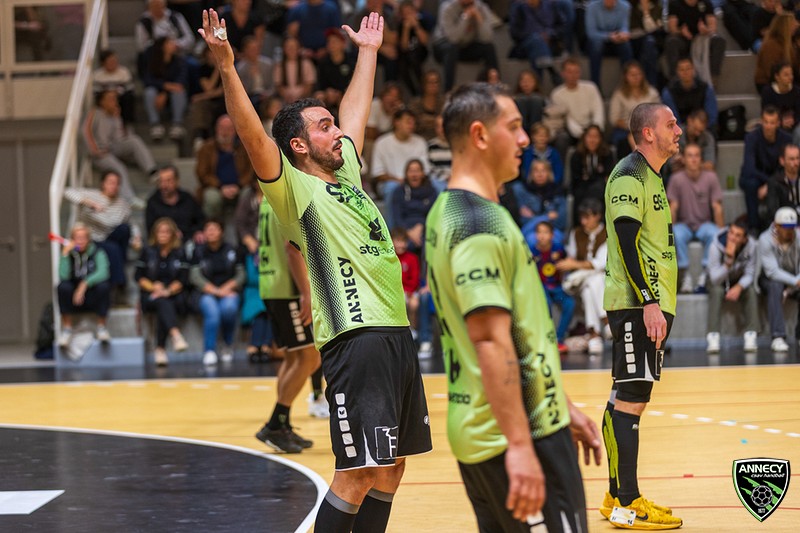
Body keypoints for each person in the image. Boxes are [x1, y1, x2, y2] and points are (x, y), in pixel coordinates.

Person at [200, 10, 431, 531]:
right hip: (355, 337)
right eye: (324, 127)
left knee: (391, 468)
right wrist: (228, 67)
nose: (339, 133)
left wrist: (367, 53)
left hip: (395, 332)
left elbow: (356, 111)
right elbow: (252, 135)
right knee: (357, 472)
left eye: (334, 124)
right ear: (299, 146)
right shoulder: (293, 188)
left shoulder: (346, 174)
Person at [424, 82, 601, 532]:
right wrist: (521, 445)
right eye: (515, 126)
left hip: (492, 428)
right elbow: (489, 341)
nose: (525, 139)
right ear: (480, 135)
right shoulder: (479, 225)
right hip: (514, 435)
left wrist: (561, 405)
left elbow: (521, 334)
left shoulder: (448, 210)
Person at [601, 102, 683, 529]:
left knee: (623, 398)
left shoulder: (651, 176)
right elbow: (625, 238)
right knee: (631, 401)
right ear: (648, 132)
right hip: (636, 305)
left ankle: (615, 494)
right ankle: (628, 503)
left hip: (644, 304)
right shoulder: (629, 175)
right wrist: (649, 301)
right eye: (670, 124)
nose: (678, 130)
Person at [254, 197, 324, 453]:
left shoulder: (267, 196)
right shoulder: (287, 194)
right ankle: (275, 423)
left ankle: (282, 425)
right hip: (288, 289)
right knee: (310, 357)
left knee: (295, 358)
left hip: (272, 284)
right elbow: (291, 247)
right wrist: (306, 292)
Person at [64, 171, 140, 293]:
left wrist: (136, 238)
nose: (114, 186)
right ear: (103, 183)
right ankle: (120, 284)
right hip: (92, 239)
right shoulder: (92, 195)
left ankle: (119, 283)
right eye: (110, 182)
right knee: (113, 248)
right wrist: (89, 203)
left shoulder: (122, 204)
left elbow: (131, 224)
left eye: (117, 183)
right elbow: (67, 191)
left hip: (111, 237)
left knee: (124, 230)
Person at [666, 142, 724, 293]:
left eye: (696, 156)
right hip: (684, 224)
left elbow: (717, 207)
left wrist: (722, 234)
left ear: (701, 159)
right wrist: (668, 233)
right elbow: (673, 207)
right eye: (689, 156)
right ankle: (685, 275)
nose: (693, 159)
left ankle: (705, 273)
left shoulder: (711, 177)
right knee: (676, 233)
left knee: (713, 232)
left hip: (704, 224)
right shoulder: (676, 178)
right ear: (684, 159)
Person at [82, 90, 157, 204]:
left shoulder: (114, 114)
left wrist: (117, 118)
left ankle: (151, 171)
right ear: (102, 102)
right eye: (110, 99)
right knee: (119, 167)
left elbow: (119, 137)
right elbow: (85, 131)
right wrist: (94, 150)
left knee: (134, 140)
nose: (114, 101)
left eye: (115, 99)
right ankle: (129, 198)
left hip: (113, 147)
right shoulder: (95, 113)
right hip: (100, 153)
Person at [135, 217, 190, 366]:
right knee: (162, 302)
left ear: (173, 234)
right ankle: (175, 335)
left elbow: (183, 279)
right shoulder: (147, 251)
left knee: (165, 303)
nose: (163, 234)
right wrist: (154, 287)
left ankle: (160, 349)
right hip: (150, 294)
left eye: (166, 232)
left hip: (174, 294)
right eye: (160, 231)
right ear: (155, 233)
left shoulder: (180, 252)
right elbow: (139, 277)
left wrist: (168, 291)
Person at [557, 198, 609, 354]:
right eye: (582, 217)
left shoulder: (608, 233)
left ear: (597, 216)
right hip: (580, 280)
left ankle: (594, 335)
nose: (583, 221)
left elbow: (600, 264)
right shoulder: (576, 233)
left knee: (591, 285)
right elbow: (572, 256)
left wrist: (574, 264)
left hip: (604, 280)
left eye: (587, 217)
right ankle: (607, 321)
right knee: (592, 281)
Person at [190, 219, 245, 365]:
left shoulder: (232, 250)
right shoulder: (198, 251)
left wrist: (226, 288)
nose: (211, 232)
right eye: (208, 229)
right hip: (205, 292)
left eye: (214, 229)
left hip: (228, 290)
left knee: (229, 308)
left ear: (222, 232)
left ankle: (227, 344)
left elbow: (241, 275)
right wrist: (215, 291)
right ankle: (209, 350)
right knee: (212, 311)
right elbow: (194, 276)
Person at [706, 217, 759, 353]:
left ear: (744, 239)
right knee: (717, 291)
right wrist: (728, 263)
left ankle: (751, 334)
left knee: (750, 291)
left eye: (738, 235)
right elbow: (715, 279)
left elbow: (750, 273)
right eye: (731, 233)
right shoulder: (715, 246)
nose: (732, 238)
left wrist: (739, 287)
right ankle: (713, 336)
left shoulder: (751, 246)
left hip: (737, 278)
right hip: (717, 279)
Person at [371, 109, 430, 227]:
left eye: (413, 123)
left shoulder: (420, 142)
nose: (411, 125)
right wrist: (399, 180)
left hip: (416, 181)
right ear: (396, 122)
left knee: (438, 185)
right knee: (393, 188)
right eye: (408, 122)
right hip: (391, 183)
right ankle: (394, 232)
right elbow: (378, 173)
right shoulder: (382, 143)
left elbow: (425, 170)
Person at [56, 223, 112, 349]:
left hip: (91, 294)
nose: (80, 241)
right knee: (62, 287)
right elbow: (63, 276)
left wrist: (85, 284)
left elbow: (103, 272)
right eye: (77, 238)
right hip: (73, 297)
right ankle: (67, 329)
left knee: (104, 286)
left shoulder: (97, 252)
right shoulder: (69, 254)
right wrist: (64, 255)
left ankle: (102, 327)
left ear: (88, 239)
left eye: (83, 238)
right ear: (72, 240)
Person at [739, 105, 792, 232]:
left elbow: (786, 166)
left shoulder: (786, 139)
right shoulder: (751, 138)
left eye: (772, 123)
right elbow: (749, 168)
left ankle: (781, 226)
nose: (768, 126)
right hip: (755, 176)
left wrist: (770, 183)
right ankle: (754, 227)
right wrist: (770, 182)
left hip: (777, 177)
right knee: (750, 183)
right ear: (761, 122)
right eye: (766, 122)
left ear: (778, 123)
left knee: (786, 181)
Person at [196, 114, 255, 219]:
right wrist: (220, 186)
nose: (225, 132)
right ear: (216, 129)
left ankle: (244, 225)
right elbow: (202, 174)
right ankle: (212, 226)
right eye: (222, 128)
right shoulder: (206, 148)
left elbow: (251, 171)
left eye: (229, 129)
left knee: (248, 193)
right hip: (215, 187)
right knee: (212, 198)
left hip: (240, 186)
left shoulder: (244, 148)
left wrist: (239, 185)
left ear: (235, 131)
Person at [432, 0, 500, 91]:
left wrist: (479, 18)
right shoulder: (447, 8)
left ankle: (496, 88)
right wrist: (465, 17)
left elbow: (487, 38)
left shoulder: (481, 7)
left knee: (489, 48)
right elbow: (454, 38)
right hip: (443, 46)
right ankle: (448, 91)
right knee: (451, 48)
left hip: (465, 47)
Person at [758, 206, 800, 352]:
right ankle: (778, 336)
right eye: (786, 227)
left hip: (794, 277)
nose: (790, 231)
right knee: (775, 285)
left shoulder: (798, 237)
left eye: (792, 227)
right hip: (769, 278)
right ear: (776, 226)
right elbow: (772, 272)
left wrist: (793, 286)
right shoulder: (765, 239)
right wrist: (795, 282)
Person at [549, 57, 605, 159]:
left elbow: (598, 112)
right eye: (569, 72)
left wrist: (594, 131)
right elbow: (567, 119)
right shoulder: (557, 94)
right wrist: (584, 135)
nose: (573, 75)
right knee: (561, 139)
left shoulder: (591, 88)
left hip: (592, 127)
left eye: (576, 72)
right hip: (572, 131)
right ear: (563, 73)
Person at [531, 221, 574, 350]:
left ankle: (559, 338)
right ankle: (547, 337)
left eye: (545, 232)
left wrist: (565, 266)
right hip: (540, 287)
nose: (542, 236)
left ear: (552, 235)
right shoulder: (531, 251)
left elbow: (568, 261)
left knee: (570, 303)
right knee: (546, 303)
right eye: (539, 232)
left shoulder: (558, 249)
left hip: (557, 286)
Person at [508, 0, 567, 86]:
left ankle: (537, 86)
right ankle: (550, 69)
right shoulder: (518, 7)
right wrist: (534, 36)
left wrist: (550, 34)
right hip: (526, 45)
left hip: (550, 44)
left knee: (537, 52)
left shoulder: (551, 5)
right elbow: (514, 33)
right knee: (536, 41)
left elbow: (562, 26)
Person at [664, 0, 726, 81]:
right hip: (683, 39)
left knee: (719, 41)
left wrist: (706, 30)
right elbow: (672, 28)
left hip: (702, 38)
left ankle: (713, 77)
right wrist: (681, 32)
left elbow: (713, 27)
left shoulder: (706, 3)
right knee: (672, 42)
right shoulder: (674, 3)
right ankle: (674, 79)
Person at [142, 36, 189, 141]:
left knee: (179, 91)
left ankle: (177, 124)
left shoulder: (179, 61)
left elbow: (181, 80)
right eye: (169, 43)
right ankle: (155, 124)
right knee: (149, 92)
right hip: (157, 90)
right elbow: (148, 80)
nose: (173, 45)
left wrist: (165, 92)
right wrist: (164, 86)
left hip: (172, 92)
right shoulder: (152, 61)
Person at [608, 60, 660, 155]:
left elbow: (659, 114)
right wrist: (633, 128)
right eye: (632, 75)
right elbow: (614, 119)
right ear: (626, 77)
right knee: (624, 141)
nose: (636, 77)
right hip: (625, 129)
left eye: (638, 74)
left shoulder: (652, 93)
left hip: (649, 128)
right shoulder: (619, 95)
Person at [145, 164, 206, 243]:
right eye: (161, 181)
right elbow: (151, 230)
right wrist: (170, 234)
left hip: (189, 240)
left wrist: (198, 232)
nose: (164, 185)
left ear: (177, 181)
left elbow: (200, 220)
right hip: (164, 244)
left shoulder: (188, 198)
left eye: (168, 181)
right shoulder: (153, 202)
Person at [570, 124, 615, 225]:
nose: (592, 140)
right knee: (580, 193)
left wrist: (590, 178)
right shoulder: (576, 155)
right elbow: (576, 178)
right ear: (584, 138)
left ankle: (601, 225)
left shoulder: (607, 154)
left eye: (596, 137)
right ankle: (580, 226)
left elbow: (608, 175)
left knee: (602, 190)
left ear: (601, 139)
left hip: (600, 188)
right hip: (581, 188)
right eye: (590, 136)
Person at [585, 0, 633, 91]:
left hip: (616, 41)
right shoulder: (592, 7)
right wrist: (609, 36)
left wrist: (623, 34)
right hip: (599, 40)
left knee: (626, 45)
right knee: (596, 44)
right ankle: (595, 86)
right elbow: (591, 33)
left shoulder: (625, 6)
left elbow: (624, 27)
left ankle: (628, 84)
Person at [661, 57, 718, 129]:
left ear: (693, 69)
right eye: (682, 70)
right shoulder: (669, 92)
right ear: (677, 72)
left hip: (703, 128)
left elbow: (711, 115)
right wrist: (685, 129)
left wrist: (699, 127)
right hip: (679, 130)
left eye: (688, 68)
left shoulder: (705, 89)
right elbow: (671, 117)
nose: (685, 72)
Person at [514, 159, 567, 233]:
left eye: (543, 171)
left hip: (553, 231)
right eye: (536, 171)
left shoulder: (558, 192)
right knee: (531, 238)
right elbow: (524, 222)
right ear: (531, 173)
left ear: (549, 173)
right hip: (530, 232)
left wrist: (535, 219)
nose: (540, 174)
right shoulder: (522, 190)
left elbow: (562, 220)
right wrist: (546, 217)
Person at [754, 13, 798, 92]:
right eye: (793, 23)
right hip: (768, 82)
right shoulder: (771, 45)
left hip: (785, 79)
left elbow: (795, 65)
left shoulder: (788, 43)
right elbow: (770, 71)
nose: (797, 25)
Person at [93, 49, 136, 124]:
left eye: (115, 61)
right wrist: (108, 94)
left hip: (121, 96)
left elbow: (129, 87)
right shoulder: (97, 75)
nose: (113, 63)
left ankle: (127, 123)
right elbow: (96, 90)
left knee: (128, 98)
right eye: (110, 61)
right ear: (103, 63)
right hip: (104, 97)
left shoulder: (124, 72)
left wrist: (117, 92)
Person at [273, 36, 317, 104]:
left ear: (298, 48)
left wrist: (299, 98)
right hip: (285, 100)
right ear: (284, 49)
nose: (291, 49)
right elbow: (278, 85)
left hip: (303, 100)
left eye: (294, 47)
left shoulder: (307, 64)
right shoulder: (279, 66)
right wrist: (286, 96)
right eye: (288, 47)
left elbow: (309, 85)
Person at [235, 35, 274, 111]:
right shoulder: (241, 68)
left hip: (267, 95)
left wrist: (268, 94)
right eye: (252, 49)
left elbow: (273, 85)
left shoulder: (268, 64)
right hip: (251, 96)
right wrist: (251, 77)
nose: (255, 51)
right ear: (245, 50)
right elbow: (244, 90)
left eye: (256, 48)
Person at [766, 143, 800, 222]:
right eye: (792, 159)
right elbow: (773, 210)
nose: (796, 163)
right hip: (783, 222)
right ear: (782, 161)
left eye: (798, 158)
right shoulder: (774, 182)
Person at [408, 70, 444, 141]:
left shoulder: (443, 103)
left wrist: (428, 120)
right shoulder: (415, 104)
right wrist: (435, 121)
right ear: (424, 85)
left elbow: (446, 123)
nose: (433, 85)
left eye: (436, 82)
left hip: (439, 141)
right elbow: (412, 124)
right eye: (430, 82)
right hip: (417, 140)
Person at [513, 70, 546, 136]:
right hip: (521, 130)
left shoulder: (541, 99)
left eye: (529, 81)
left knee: (536, 99)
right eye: (523, 81)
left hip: (539, 131)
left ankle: (534, 133)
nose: (526, 84)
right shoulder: (515, 99)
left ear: (535, 83)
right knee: (520, 100)